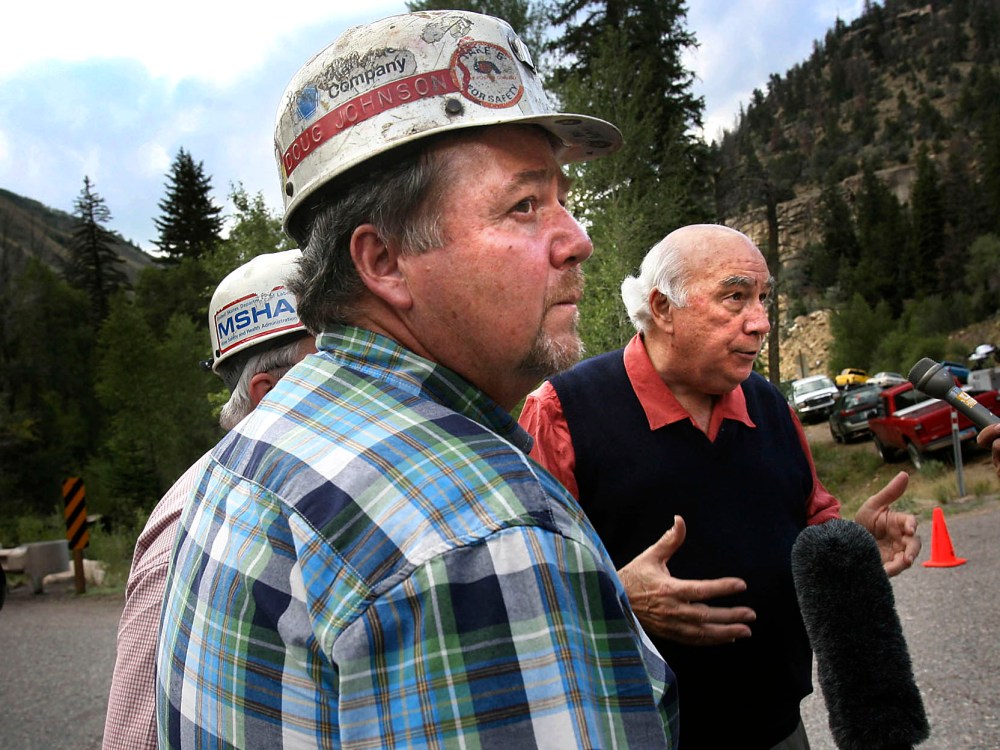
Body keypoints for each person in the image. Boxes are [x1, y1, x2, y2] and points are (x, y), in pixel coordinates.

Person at [155, 11, 677, 750]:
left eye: (563, 197)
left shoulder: (260, 445)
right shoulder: (484, 538)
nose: (577, 239)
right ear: (384, 262)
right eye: (524, 205)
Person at [519, 224, 921, 750]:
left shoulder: (769, 404)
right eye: (735, 297)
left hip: (779, 727)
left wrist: (850, 546)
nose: (761, 322)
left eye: (763, 299)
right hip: (644, 735)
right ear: (662, 308)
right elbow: (523, 587)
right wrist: (618, 596)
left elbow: (809, 518)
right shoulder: (562, 412)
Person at [102, 250, 316, 750]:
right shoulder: (190, 520)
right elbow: (133, 735)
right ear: (269, 394)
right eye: (333, 365)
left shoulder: (293, 489)